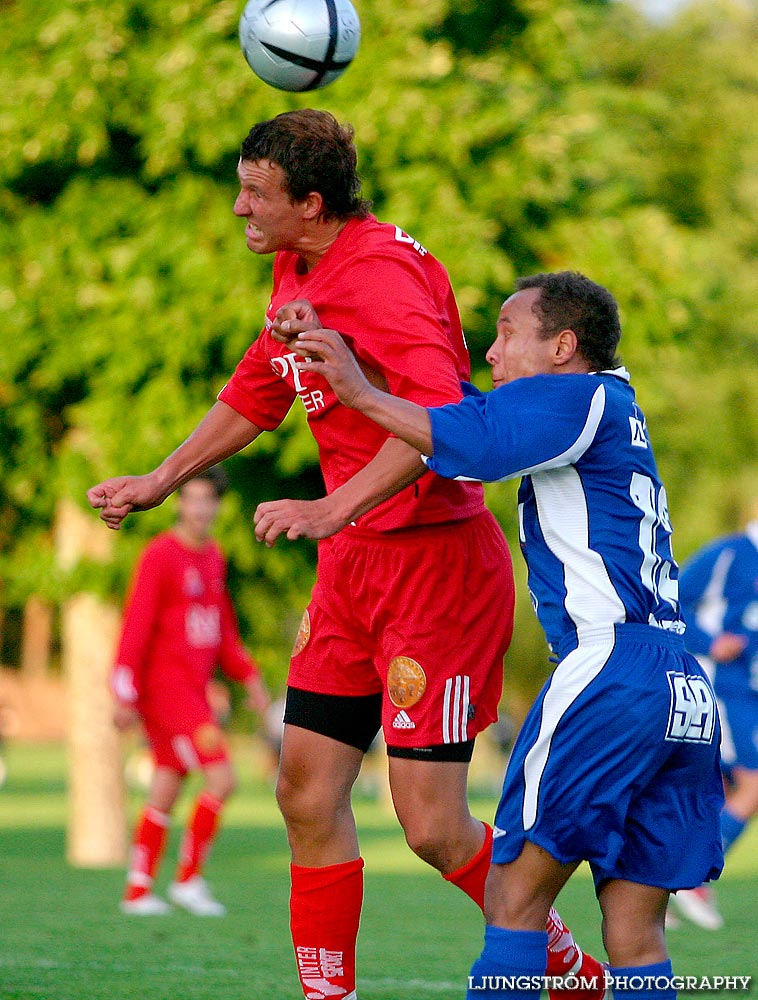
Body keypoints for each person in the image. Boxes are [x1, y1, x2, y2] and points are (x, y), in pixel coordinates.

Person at [88, 111, 603, 999]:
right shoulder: (297, 266)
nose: (240, 207)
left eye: (257, 193)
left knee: (434, 829)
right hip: (353, 573)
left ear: (311, 202)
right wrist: (163, 477)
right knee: (303, 791)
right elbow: (260, 389)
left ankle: (576, 975)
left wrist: (333, 507)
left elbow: (442, 423)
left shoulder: (384, 280)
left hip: (432, 568)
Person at [287, 270, 725, 1000]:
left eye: (508, 333)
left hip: (610, 669)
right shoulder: (609, 405)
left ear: (562, 346)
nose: (491, 352)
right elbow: (460, 406)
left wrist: (359, 393)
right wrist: (361, 348)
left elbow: (479, 446)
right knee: (634, 934)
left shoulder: (577, 397)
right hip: (679, 684)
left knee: (514, 900)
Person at [112, 466, 270, 916]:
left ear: (217, 506)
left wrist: (249, 677)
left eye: (208, 500)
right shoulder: (160, 555)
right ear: (179, 503)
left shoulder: (213, 556)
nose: (200, 508)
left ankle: (138, 889)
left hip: (195, 693)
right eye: (192, 498)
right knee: (223, 777)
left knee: (166, 783)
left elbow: (222, 629)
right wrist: (123, 691)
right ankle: (188, 880)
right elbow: (136, 626)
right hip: (166, 692)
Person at [669, 502, 758, 930]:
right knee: (752, 785)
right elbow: (668, 601)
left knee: (712, 792)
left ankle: (660, 882)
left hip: (749, 696)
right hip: (723, 687)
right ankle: (693, 878)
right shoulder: (728, 554)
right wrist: (710, 640)